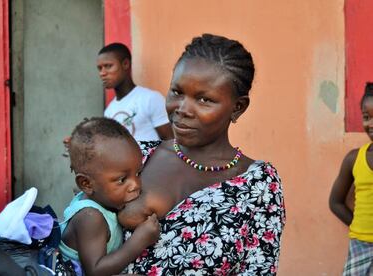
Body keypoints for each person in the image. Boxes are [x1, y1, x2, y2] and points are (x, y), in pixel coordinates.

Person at [117, 34, 286, 275]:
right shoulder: (135, 158)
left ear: (238, 107)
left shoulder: (258, 186)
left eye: (204, 99)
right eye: (177, 92)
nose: (183, 109)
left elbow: (258, 268)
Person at [58, 117, 160, 276]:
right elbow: (95, 271)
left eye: (138, 173)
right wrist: (139, 240)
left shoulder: (99, 198)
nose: (135, 185)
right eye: (122, 180)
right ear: (87, 184)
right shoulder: (90, 217)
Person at [329, 82, 373, 276]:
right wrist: (358, 225)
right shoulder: (354, 159)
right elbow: (335, 202)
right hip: (360, 245)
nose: (370, 124)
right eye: (366, 117)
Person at [97, 42, 173, 141]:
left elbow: (170, 141)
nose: (102, 73)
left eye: (108, 66)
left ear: (125, 64)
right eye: (99, 68)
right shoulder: (109, 111)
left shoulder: (150, 99)